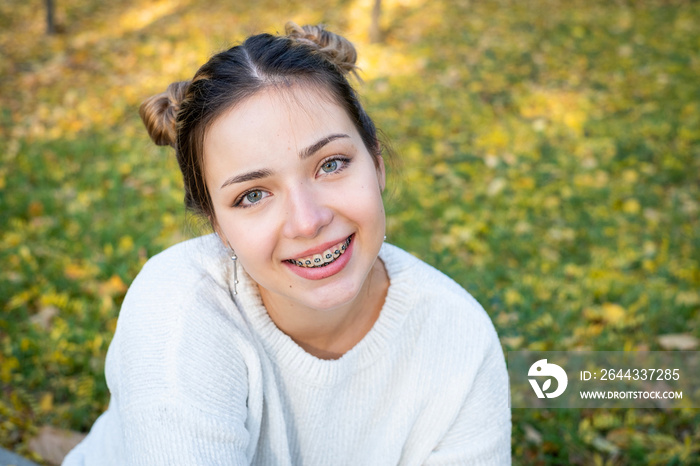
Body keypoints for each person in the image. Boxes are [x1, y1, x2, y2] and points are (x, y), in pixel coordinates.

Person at [63, 22, 511, 465]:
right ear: (217, 227)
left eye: (331, 164)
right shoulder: (177, 310)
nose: (308, 221)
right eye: (252, 195)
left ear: (376, 165)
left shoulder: (460, 339)